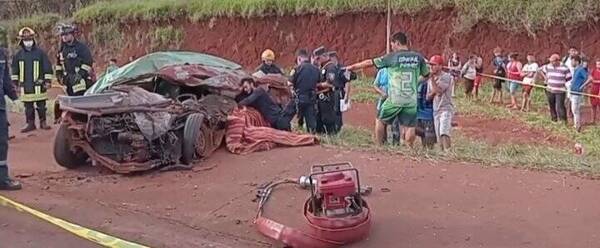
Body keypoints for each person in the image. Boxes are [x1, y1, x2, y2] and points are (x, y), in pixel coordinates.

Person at [345, 31, 430, 147]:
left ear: (397, 43)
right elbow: (426, 75)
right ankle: (409, 148)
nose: (392, 47)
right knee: (410, 125)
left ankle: (379, 146)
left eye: (392, 44)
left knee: (380, 120)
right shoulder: (418, 57)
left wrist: (352, 67)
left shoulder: (392, 57)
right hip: (410, 97)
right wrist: (415, 82)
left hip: (395, 96)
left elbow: (370, 62)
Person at [10, 27, 53, 133]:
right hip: (25, 85)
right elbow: (14, 70)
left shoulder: (40, 53)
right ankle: (30, 123)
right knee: (28, 106)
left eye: (29, 39)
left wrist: (47, 81)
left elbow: (47, 67)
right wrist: (15, 83)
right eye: (25, 40)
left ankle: (43, 122)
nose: (27, 42)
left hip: (39, 85)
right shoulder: (18, 55)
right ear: (21, 41)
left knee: (41, 105)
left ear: (33, 39)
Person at [0, 41, 22, 190]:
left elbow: (5, 78)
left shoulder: (1, 53)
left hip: (0, 105)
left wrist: (15, 98)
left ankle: (2, 178)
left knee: (2, 142)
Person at [55, 23, 94, 96]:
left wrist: (80, 74)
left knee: (81, 102)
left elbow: (88, 62)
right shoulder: (61, 50)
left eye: (66, 34)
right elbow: (58, 65)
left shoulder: (81, 47)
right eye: (62, 35)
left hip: (81, 82)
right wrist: (59, 76)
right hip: (68, 82)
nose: (64, 37)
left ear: (72, 34)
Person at [427, 55, 454, 151]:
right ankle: (443, 153)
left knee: (444, 131)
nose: (431, 67)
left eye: (434, 65)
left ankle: (448, 151)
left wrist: (432, 81)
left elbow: (438, 92)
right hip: (436, 109)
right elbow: (428, 97)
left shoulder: (446, 77)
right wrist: (432, 82)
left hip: (445, 108)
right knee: (438, 135)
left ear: (440, 66)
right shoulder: (431, 80)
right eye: (430, 65)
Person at [290, 49, 320, 133]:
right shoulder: (316, 69)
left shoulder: (297, 69)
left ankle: (296, 131)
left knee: (289, 117)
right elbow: (319, 83)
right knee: (311, 124)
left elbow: (289, 83)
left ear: (299, 58)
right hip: (311, 98)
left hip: (298, 98)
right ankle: (311, 136)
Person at [540, 54, 571, 124]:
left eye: (552, 61)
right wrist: (545, 78)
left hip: (560, 90)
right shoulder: (548, 66)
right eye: (550, 61)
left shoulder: (565, 68)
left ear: (557, 61)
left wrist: (560, 81)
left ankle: (563, 120)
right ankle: (554, 119)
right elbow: (540, 69)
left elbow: (569, 78)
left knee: (560, 105)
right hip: (550, 89)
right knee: (551, 104)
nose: (551, 63)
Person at [373, 68, 401, 145]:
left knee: (395, 124)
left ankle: (395, 144)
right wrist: (382, 93)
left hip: (395, 101)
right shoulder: (382, 71)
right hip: (383, 101)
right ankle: (382, 143)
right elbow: (375, 85)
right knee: (381, 122)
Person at [569, 55, 588, 132]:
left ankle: (577, 126)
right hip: (573, 92)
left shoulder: (581, 69)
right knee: (573, 109)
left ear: (576, 61)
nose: (571, 62)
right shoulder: (576, 69)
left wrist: (582, 86)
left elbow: (589, 78)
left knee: (575, 109)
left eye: (572, 61)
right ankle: (575, 125)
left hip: (577, 93)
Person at [416, 78, 435, 149]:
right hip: (418, 113)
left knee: (428, 138)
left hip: (428, 113)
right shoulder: (418, 81)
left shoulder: (431, 81)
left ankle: (429, 152)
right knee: (422, 134)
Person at [585, 59, 600, 123]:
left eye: (599, 64)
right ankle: (593, 120)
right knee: (593, 105)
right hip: (593, 89)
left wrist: (594, 81)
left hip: (599, 90)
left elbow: (593, 80)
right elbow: (590, 79)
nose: (598, 65)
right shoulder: (594, 71)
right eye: (597, 64)